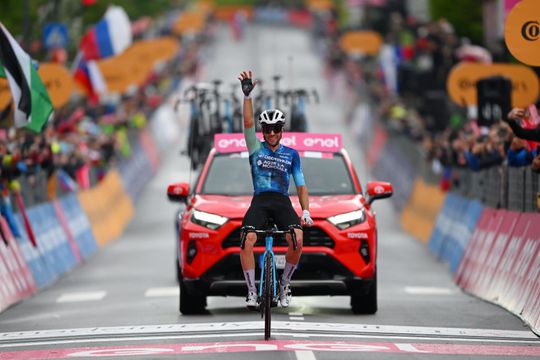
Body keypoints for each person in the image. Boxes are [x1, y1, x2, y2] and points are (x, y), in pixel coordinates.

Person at [237, 70, 313, 309]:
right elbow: (248, 123)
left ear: (282, 130)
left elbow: (300, 184)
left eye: (275, 128)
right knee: (246, 239)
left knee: (297, 239)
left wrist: (306, 211)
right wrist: (247, 97)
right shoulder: (255, 148)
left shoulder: (291, 154)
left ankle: (284, 284)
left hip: (282, 202)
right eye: (267, 129)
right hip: (260, 201)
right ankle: (251, 290)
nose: (271, 133)